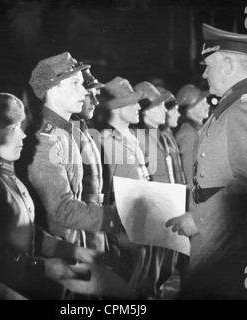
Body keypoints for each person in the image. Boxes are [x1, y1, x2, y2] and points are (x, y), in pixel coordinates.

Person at [166, 24, 247, 273]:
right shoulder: (237, 104)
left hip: (234, 239)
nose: (204, 75)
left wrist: (199, 219)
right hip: (229, 233)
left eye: (208, 66)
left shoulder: (246, 106)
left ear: (228, 65)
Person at [0, 93, 101, 299]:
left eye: (21, 127)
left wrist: (73, 250)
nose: (23, 135)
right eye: (13, 128)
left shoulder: (10, 177)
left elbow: (27, 232)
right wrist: (43, 267)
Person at [26, 52, 120, 262]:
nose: (83, 90)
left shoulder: (67, 132)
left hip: (75, 242)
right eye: (75, 84)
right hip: (57, 253)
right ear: (51, 89)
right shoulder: (45, 139)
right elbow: (61, 209)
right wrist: (116, 218)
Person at [99, 76, 154, 298]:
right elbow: (104, 191)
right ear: (117, 107)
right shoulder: (105, 141)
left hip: (140, 222)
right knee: (123, 287)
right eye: (133, 102)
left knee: (139, 283)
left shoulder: (131, 137)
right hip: (121, 227)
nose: (139, 106)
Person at [134, 82, 187, 299]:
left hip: (169, 214)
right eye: (158, 106)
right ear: (144, 110)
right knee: (149, 280)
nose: (165, 110)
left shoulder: (160, 136)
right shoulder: (138, 139)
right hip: (154, 218)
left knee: (163, 274)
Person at [71, 68, 108, 253]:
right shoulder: (70, 133)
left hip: (94, 219)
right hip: (83, 225)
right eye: (89, 95)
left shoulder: (84, 130)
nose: (96, 102)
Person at [175, 84, 210, 190]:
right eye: (202, 103)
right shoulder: (188, 133)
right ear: (190, 109)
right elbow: (188, 170)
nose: (207, 106)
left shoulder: (198, 129)